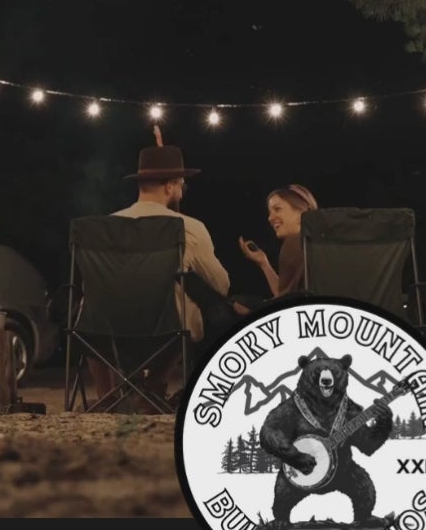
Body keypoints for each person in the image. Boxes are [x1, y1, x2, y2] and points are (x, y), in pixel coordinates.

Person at [105, 128, 231, 401]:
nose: (183, 192)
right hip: (165, 330)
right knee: (191, 303)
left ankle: (118, 393)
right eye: (182, 185)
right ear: (171, 186)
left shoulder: (107, 226)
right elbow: (220, 285)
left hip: (105, 329)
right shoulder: (188, 227)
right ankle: (155, 386)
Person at [236, 184, 316, 302]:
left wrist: (254, 308)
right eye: (270, 212)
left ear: (300, 213)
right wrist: (264, 263)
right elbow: (286, 294)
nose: (270, 218)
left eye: (277, 209)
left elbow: (285, 303)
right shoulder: (313, 242)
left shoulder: (293, 243)